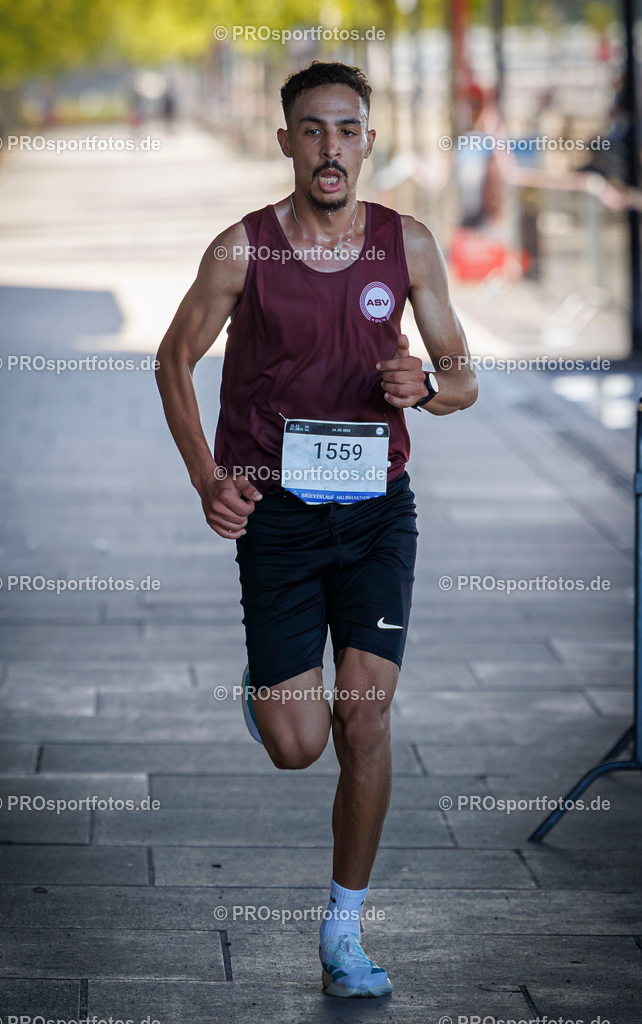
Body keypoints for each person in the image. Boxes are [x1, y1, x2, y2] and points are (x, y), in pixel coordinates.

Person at [156, 61, 477, 999]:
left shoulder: (408, 245)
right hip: (280, 521)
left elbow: (461, 374)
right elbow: (173, 362)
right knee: (300, 743)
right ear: (287, 140)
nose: (329, 148)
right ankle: (266, 689)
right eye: (310, 130)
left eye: (346, 130)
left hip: (379, 514)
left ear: (367, 142)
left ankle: (343, 930)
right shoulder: (242, 250)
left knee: (365, 718)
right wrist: (207, 479)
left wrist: (429, 386)